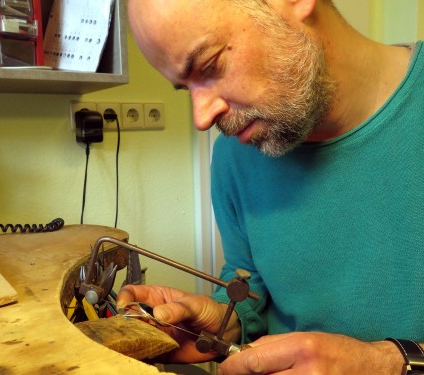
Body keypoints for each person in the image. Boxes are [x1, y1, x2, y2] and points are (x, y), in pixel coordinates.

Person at [118, 0, 424, 374]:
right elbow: (251, 279)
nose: (201, 118)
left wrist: (386, 364)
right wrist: (225, 319)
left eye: (210, 66)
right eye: (185, 88)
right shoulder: (235, 155)